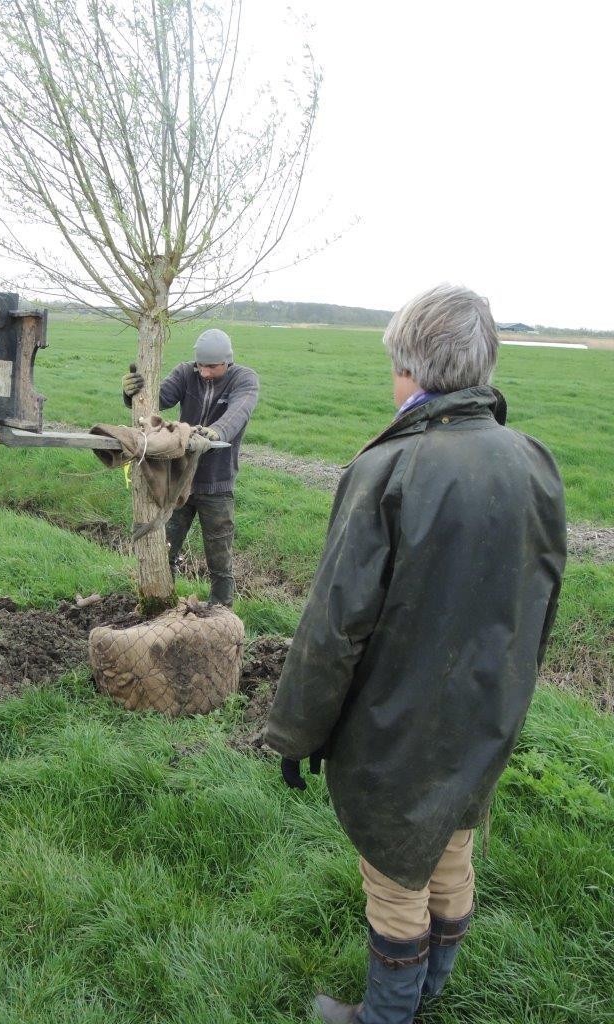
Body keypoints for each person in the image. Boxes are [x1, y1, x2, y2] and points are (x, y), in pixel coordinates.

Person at [263, 284, 567, 1024]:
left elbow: (335, 627)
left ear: (409, 370)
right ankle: (434, 988)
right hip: (488, 711)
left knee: (396, 871)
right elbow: (543, 600)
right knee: (455, 843)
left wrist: (293, 734)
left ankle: (386, 1014)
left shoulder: (388, 469)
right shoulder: (534, 461)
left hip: (397, 721)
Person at [122, 328, 259, 607]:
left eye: (212, 366)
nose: (205, 372)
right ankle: (163, 605)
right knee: (166, 548)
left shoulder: (244, 379)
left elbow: (238, 412)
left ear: (227, 361)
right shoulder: (186, 373)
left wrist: (216, 432)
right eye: (201, 366)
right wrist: (132, 393)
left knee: (220, 558)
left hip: (216, 485)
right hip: (181, 480)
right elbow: (156, 399)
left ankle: (222, 613)